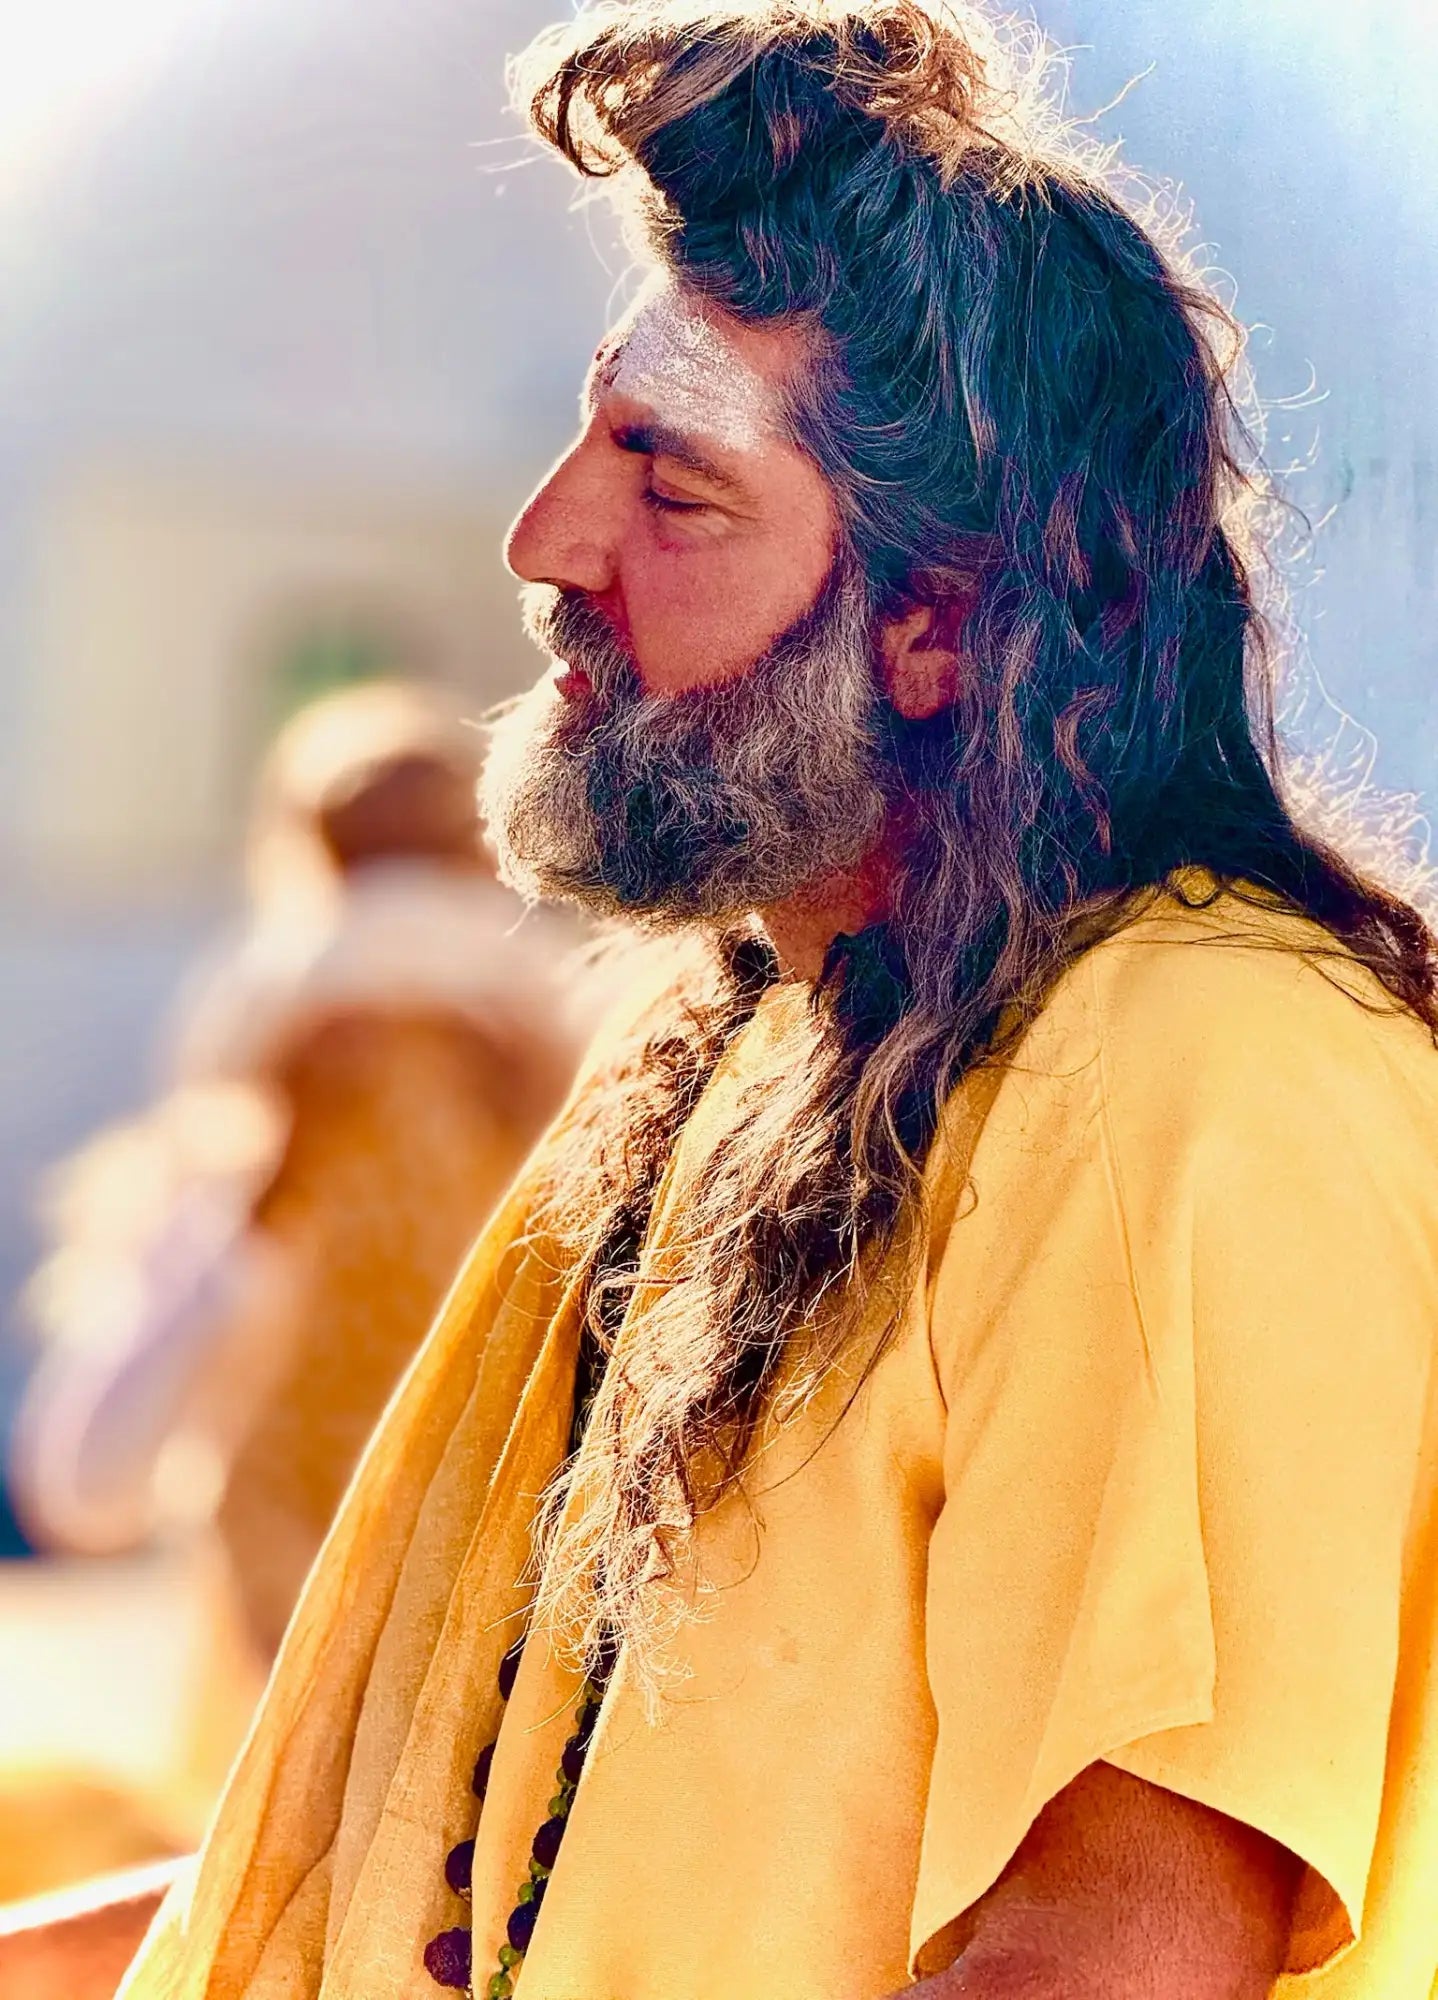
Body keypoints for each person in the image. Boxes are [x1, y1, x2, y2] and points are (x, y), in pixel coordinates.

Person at [10, 2, 1438, 1994]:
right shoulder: (732, 1041)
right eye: (591, 435)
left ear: (939, 624)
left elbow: (1118, 1947)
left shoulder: (1202, 1067)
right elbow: (384, 1889)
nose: (541, 545)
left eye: (668, 493)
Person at [3, 681, 582, 1895]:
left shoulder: (594, 1200)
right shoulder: (234, 1192)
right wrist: (258, 1201)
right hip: (285, 1782)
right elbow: (77, 1485)